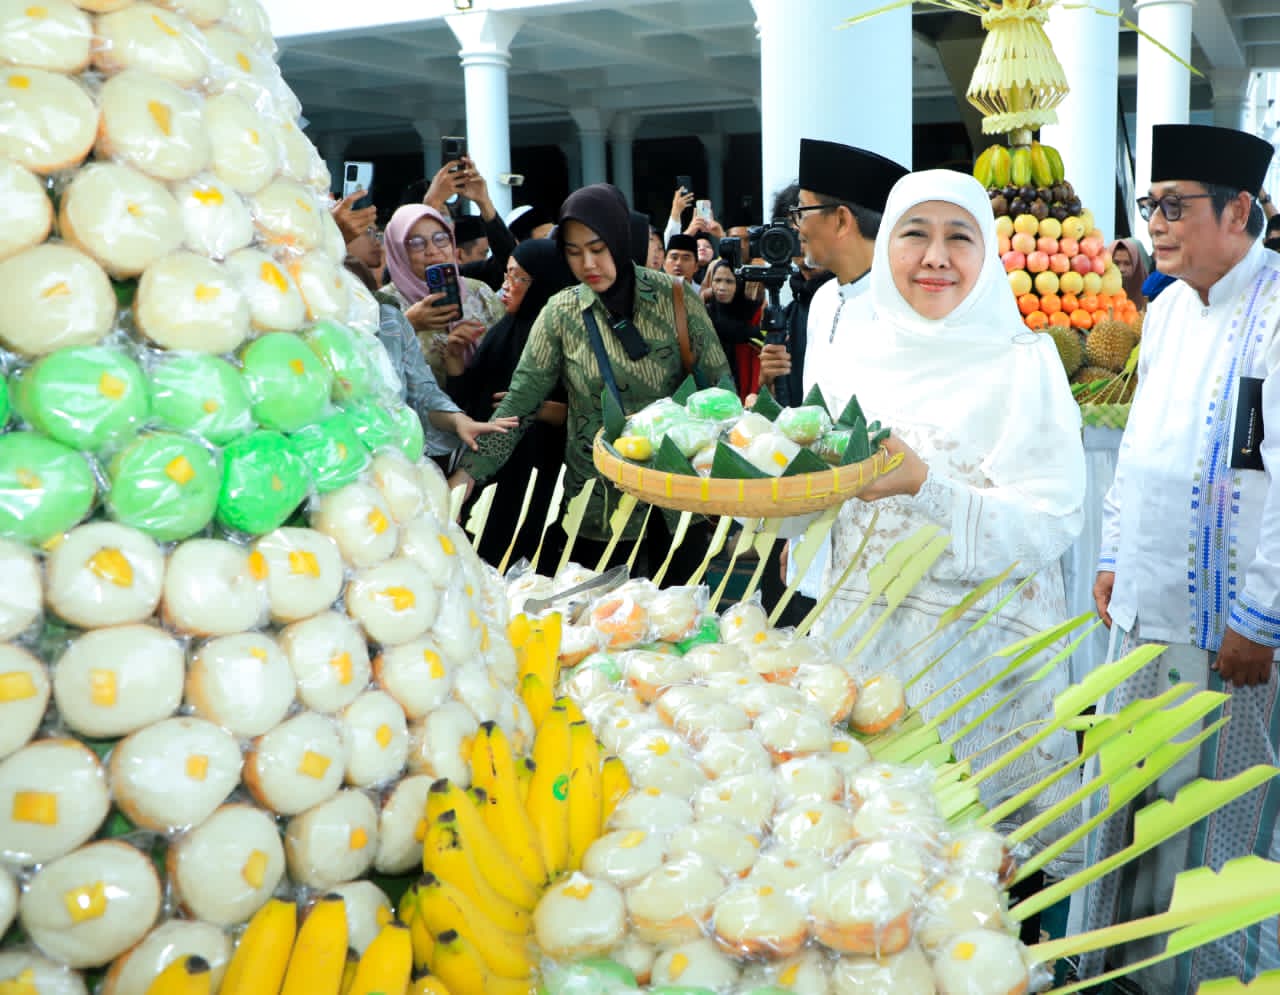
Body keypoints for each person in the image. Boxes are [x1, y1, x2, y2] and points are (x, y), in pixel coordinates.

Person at [814, 168, 1086, 871]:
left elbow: (1054, 519)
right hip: (867, 657)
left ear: (986, 253)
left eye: (959, 237)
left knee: (981, 883)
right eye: (915, 234)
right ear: (886, 249)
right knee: (872, 870)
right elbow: (818, 490)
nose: (936, 256)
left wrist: (929, 489)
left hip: (983, 673)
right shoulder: (853, 355)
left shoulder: (1024, 364)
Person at [1083, 124, 1280, 993]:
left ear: (1241, 210)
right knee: (1129, 796)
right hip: (1144, 606)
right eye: (1150, 203)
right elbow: (1136, 451)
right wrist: (1115, 550)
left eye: (1176, 204)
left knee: (1218, 816)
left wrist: (1259, 616)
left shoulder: (1276, 317)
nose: (1156, 223)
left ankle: (1205, 978)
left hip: (1229, 628)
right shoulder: (1162, 308)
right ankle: (1112, 967)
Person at [449, 184, 731, 579]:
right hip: (596, 509)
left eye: (597, 249)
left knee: (678, 623)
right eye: (574, 252)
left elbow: (721, 394)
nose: (588, 264)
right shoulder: (562, 313)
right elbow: (519, 403)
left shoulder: (676, 298)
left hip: (676, 505)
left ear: (618, 238)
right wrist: (467, 476)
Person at [450, 240, 574, 568]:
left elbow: (582, 410)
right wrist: (454, 360)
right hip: (488, 463)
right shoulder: (504, 330)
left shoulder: (562, 337)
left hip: (536, 467)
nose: (505, 286)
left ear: (544, 282)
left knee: (520, 559)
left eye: (518, 278)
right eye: (506, 274)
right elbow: (471, 400)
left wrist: (537, 408)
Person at [343, 257, 516, 466]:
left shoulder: (389, 321)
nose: (432, 250)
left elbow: (423, 393)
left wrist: (458, 420)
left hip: (393, 464)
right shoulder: (309, 342)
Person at [380, 203, 504, 384]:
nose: (432, 250)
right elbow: (370, 365)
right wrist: (408, 324)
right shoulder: (384, 303)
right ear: (398, 251)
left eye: (440, 238)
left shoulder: (480, 292)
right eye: (416, 243)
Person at [701, 258, 761, 400]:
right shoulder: (704, 312)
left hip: (746, 388)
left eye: (729, 281)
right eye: (717, 280)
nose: (722, 287)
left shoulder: (753, 312)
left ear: (739, 284)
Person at [1107, 237, 1149, 310]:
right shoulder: (1099, 292)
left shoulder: (1150, 292)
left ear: (1136, 264)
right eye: (1116, 263)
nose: (1121, 269)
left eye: (1127, 263)